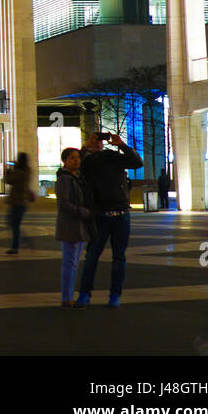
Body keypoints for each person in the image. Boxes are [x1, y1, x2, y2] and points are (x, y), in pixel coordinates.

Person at [75, 132, 143, 309]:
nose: (98, 142)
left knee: (118, 257)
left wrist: (121, 144)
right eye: (95, 139)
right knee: (92, 256)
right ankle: (84, 294)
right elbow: (77, 166)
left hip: (120, 214)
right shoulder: (88, 161)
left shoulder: (115, 157)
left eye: (100, 140)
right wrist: (85, 147)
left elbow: (137, 162)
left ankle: (115, 295)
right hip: (99, 214)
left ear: (106, 144)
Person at [54, 147, 92, 307]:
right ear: (64, 161)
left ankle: (68, 295)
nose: (76, 160)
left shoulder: (76, 177)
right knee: (70, 263)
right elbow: (63, 204)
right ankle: (67, 296)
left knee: (73, 262)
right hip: (71, 225)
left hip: (78, 224)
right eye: (72, 158)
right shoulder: (65, 179)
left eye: (78, 157)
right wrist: (83, 212)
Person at [3, 152, 35, 254]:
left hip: (17, 202)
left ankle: (18, 246)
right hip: (22, 202)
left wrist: (8, 171)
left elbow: (8, 180)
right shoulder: (27, 171)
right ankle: (19, 244)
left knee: (13, 225)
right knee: (14, 224)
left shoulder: (19, 172)